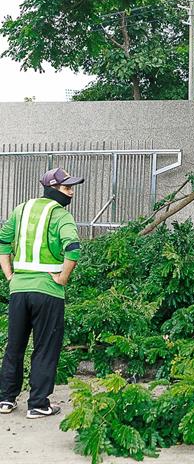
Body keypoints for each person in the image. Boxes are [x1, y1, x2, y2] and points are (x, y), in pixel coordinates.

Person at [0, 168, 84, 418]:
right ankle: (37, 404)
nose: (71, 192)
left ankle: (5, 399)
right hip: (48, 291)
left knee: (14, 345)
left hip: (19, 290)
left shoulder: (20, 210)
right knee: (45, 347)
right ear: (52, 189)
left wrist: (9, 275)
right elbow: (74, 249)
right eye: (67, 188)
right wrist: (63, 278)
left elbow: (3, 242)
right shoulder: (61, 215)